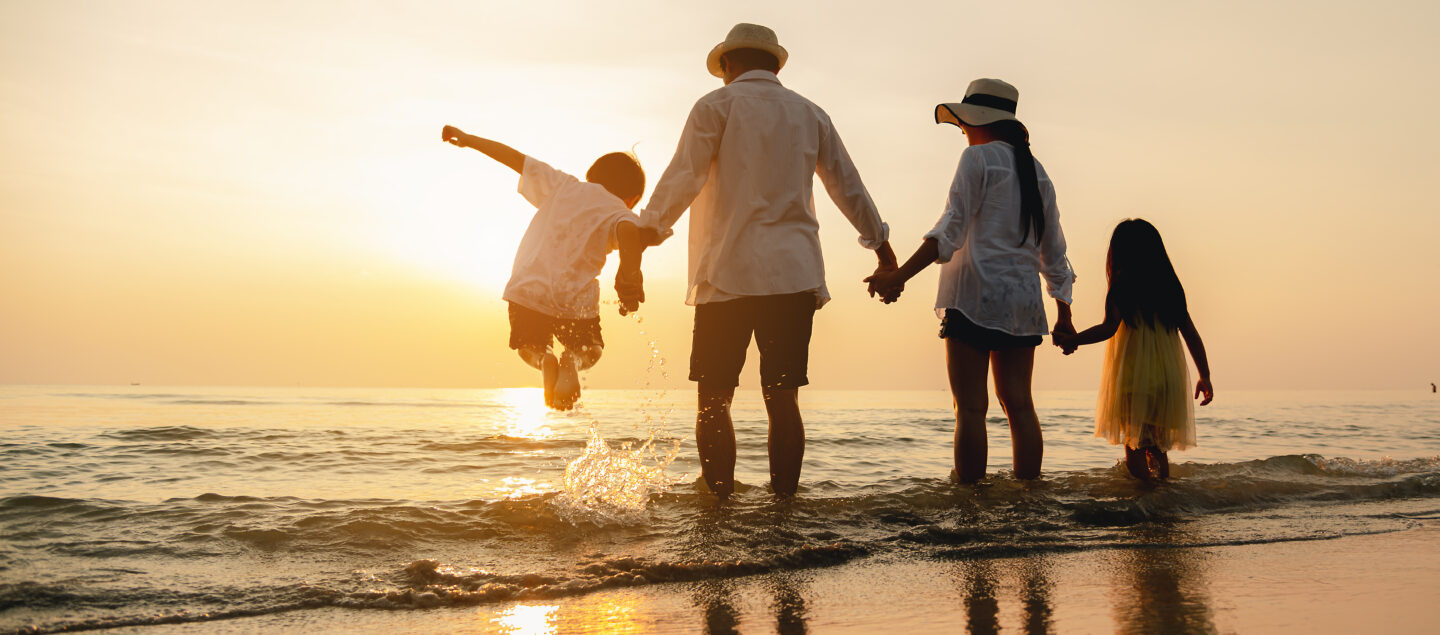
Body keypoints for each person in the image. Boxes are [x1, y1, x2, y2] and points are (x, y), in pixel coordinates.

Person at [633, 23, 898, 501]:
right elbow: (847, 184)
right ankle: (784, 509)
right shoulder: (809, 113)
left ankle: (719, 508)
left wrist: (646, 234)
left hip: (725, 275)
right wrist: (882, 250)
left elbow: (683, 178)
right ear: (776, 64)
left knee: (714, 399)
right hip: (792, 275)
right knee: (782, 397)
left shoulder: (715, 106)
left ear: (728, 65)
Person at [866, 78, 1074, 483]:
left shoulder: (977, 161)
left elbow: (949, 231)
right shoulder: (1038, 171)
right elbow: (1055, 252)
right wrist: (1063, 313)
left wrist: (898, 276)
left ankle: (971, 502)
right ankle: (1028, 498)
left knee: (971, 408)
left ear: (978, 122)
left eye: (963, 125)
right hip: (1023, 302)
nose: (962, 131)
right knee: (1020, 406)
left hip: (974, 297)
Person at [441, 125, 649, 410]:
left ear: (592, 176)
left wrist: (469, 140)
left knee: (529, 346)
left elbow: (515, 158)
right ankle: (571, 359)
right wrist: (629, 275)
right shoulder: (620, 212)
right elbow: (628, 232)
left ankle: (544, 359)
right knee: (591, 350)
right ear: (631, 199)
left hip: (528, 291)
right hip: (575, 300)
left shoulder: (563, 185)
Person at [1053, 219, 1214, 481]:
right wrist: (1204, 375)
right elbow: (1191, 335)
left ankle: (1144, 498)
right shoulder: (1170, 288)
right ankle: (1162, 496)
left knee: (1135, 444)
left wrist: (1075, 340)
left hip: (1134, 380)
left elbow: (1108, 328)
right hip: (1167, 381)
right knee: (1157, 446)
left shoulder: (1122, 287)